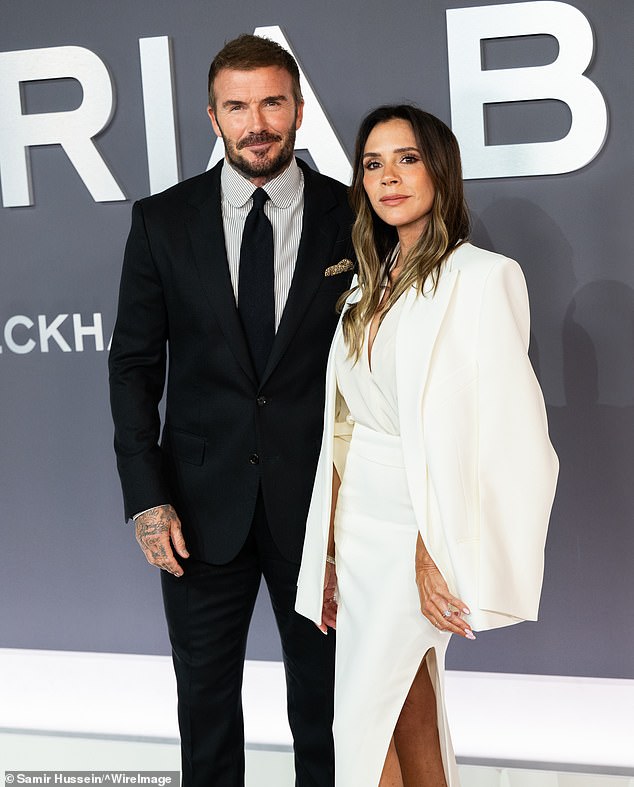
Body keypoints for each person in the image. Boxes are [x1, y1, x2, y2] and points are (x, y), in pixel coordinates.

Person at [108, 34, 354, 787]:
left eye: (273, 102)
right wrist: (147, 498)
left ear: (300, 110)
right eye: (239, 106)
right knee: (205, 709)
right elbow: (134, 365)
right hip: (197, 509)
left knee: (328, 709)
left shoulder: (353, 216)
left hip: (319, 513)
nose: (258, 123)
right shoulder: (162, 221)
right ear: (212, 115)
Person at [295, 104, 559, 787]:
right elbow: (346, 426)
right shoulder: (363, 285)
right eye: (373, 163)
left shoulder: (482, 279)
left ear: (440, 169)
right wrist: (325, 548)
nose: (388, 177)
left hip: (418, 529)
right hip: (358, 534)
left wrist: (435, 544)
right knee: (403, 709)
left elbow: (506, 431)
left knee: (360, 722)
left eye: (406, 158)